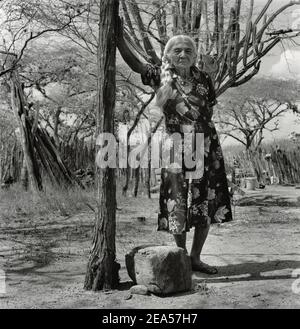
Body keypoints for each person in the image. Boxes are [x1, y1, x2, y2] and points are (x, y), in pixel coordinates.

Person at [117, 23, 232, 274]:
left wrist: (211, 74)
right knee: (176, 200)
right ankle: (181, 259)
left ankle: (195, 258)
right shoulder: (160, 75)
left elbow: (208, 107)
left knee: (205, 200)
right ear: (168, 55)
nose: (183, 54)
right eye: (177, 50)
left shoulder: (203, 78)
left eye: (188, 51)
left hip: (205, 145)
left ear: (194, 55)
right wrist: (117, 35)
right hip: (175, 145)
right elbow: (134, 63)